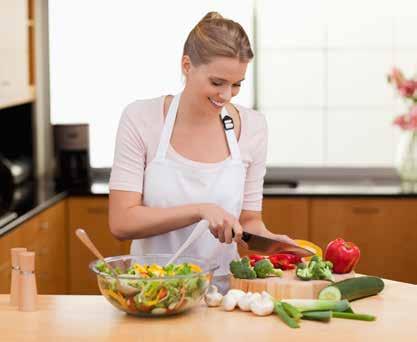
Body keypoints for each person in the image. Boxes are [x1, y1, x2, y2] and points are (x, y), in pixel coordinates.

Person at [108, 11, 296, 293]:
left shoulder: (254, 127)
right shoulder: (140, 118)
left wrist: (269, 240)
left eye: (237, 85)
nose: (226, 95)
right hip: (149, 290)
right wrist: (200, 210)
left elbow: (248, 220)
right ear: (187, 65)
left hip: (221, 292)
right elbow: (122, 222)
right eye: (217, 82)